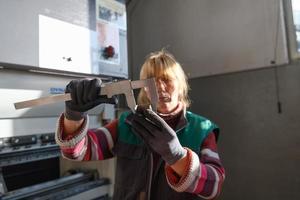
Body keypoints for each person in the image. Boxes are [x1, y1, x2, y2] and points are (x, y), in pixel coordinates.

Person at [55, 50, 225, 200]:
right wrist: (74, 116)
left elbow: (214, 186)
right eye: (151, 82)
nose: (160, 87)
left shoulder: (202, 129)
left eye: (166, 79)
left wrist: (178, 157)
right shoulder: (127, 123)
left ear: (181, 84)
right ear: (144, 89)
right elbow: (79, 151)